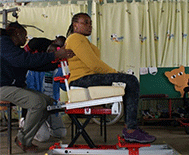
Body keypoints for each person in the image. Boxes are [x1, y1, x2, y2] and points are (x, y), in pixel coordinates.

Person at [65, 13, 156, 143]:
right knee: (131, 80)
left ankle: (131, 128)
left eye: (90, 23)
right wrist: (115, 72)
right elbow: (94, 64)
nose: (89, 26)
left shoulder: (81, 39)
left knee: (129, 80)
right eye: (85, 22)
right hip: (82, 80)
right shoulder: (75, 38)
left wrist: (114, 73)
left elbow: (93, 64)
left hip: (87, 78)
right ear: (75, 25)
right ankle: (131, 130)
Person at [0, 22, 74, 153]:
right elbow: (24, 60)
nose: (25, 39)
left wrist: (57, 64)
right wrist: (55, 55)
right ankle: (24, 139)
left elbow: (33, 65)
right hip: (2, 87)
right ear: (17, 33)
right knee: (37, 102)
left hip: (10, 87)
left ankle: (24, 137)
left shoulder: (14, 49)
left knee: (49, 103)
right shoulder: (3, 43)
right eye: (24, 35)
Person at [20, 42, 67, 142]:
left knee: (61, 133)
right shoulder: (35, 69)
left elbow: (64, 87)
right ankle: (25, 122)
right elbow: (30, 89)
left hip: (52, 106)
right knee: (43, 137)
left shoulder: (58, 69)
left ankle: (45, 124)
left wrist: (67, 76)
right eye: (51, 53)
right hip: (40, 107)